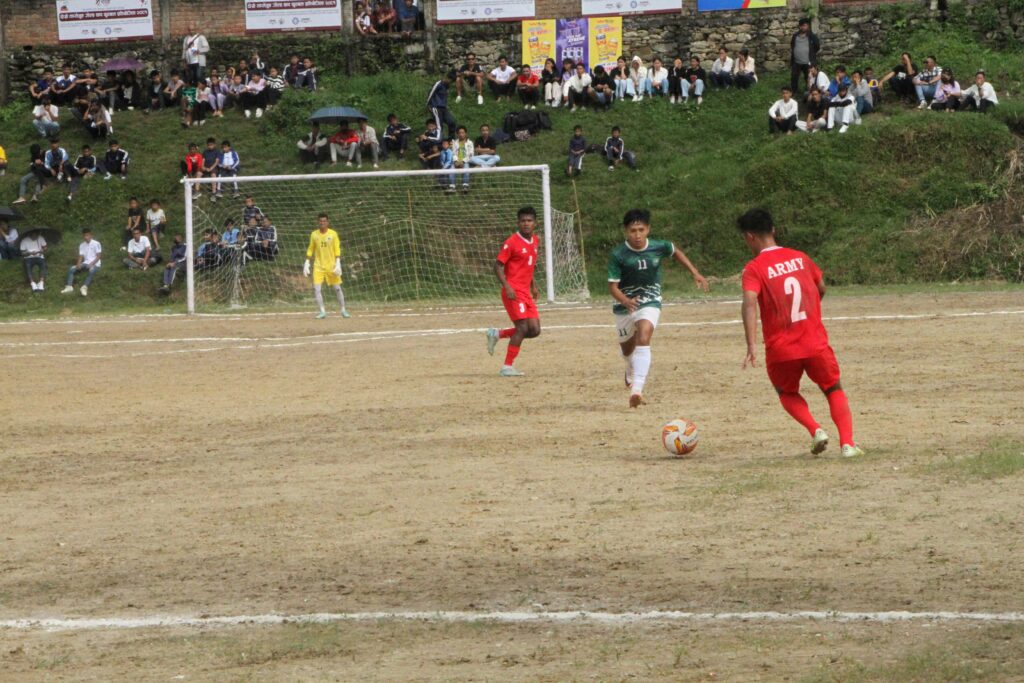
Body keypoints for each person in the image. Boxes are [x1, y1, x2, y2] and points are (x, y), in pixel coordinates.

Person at [738, 207, 863, 458]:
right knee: (833, 388)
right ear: (773, 230)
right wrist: (810, 312)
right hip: (814, 342)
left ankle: (816, 429)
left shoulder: (754, 268)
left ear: (750, 236)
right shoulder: (800, 257)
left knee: (786, 392)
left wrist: (751, 344)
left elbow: (750, 302)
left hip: (781, 348)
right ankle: (848, 444)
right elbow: (821, 287)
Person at [608, 208, 710, 408]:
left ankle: (637, 390)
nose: (637, 235)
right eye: (633, 231)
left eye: (641, 230)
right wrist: (625, 301)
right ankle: (629, 367)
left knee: (644, 335)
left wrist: (694, 272)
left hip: (650, 299)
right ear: (626, 231)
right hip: (624, 303)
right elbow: (613, 287)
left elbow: (675, 251)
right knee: (627, 350)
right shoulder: (618, 254)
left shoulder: (658, 246)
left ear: (648, 229)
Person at [485, 207, 542, 377]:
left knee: (534, 330)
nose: (526, 224)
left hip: (525, 291)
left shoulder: (535, 241)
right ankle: (507, 367)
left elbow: (528, 265)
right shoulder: (511, 242)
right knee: (522, 327)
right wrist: (507, 286)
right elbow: (497, 266)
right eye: (523, 221)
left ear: (535, 223)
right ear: (518, 223)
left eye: (529, 221)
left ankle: (497, 334)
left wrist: (533, 285)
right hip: (513, 291)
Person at [303, 213, 350, 319]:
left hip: (331, 266)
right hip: (318, 266)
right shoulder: (314, 234)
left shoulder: (333, 234)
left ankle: (343, 310)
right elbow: (311, 248)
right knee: (317, 289)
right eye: (320, 221)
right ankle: (322, 311)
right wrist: (307, 262)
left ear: (327, 222)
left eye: (324, 221)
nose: (322, 223)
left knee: (337, 288)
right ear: (318, 222)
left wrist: (338, 262)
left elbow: (337, 248)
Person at [61, 228, 101, 296]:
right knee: (71, 269)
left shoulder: (96, 243)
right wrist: (78, 264)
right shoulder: (82, 245)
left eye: (87, 235)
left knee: (91, 271)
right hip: (85, 263)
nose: (86, 237)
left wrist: (91, 264)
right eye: (84, 235)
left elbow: (98, 256)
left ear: (91, 235)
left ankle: (84, 287)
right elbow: (81, 256)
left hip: (95, 263)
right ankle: (69, 286)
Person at [790, 17, 820, 94]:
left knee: (809, 77)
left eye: (805, 25)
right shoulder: (795, 36)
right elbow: (792, 45)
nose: (803, 27)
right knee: (794, 77)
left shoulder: (812, 36)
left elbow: (817, 46)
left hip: (808, 62)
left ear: (808, 26)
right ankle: (794, 91)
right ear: (799, 26)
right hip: (796, 62)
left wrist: (811, 54)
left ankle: (810, 91)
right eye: (801, 26)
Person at [426, 71, 457, 141]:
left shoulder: (447, 86)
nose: (449, 82)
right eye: (449, 80)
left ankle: (451, 140)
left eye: (451, 81)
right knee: (439, 126)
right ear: (446, 77)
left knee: (451, 122)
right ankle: (439, 141)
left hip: (444, 108)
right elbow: (431, 93)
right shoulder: (438, 84)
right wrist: (428, 105)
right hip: (436, 107)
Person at [451, 125, 474, 190]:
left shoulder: (470, 143)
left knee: (466, 168)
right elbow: (453, 153)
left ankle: (465, 185)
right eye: (459, 133)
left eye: (463, 133)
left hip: (465, 161)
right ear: (457, 134)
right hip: (457, 161)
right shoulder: (455, 142)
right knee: (451, 168)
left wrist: (463, 161)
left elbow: (471, 154)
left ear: (465, 133)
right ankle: (452, 186)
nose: (461, 134)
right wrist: (456, 161)